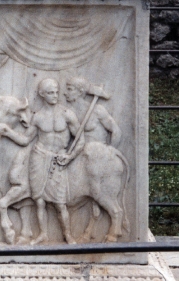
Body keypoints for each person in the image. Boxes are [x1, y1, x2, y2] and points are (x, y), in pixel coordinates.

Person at [28, 78, 80, 245]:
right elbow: (24, 139)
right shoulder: (37, 117)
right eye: (50, 93)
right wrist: (6, 131)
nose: (55, 96)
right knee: (39, 201)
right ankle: (43, 234)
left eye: (56, 92)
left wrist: (70, 156)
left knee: (60, 202)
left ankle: (68, 235)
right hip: (39, 157)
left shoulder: (66, 114)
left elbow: (80, 139)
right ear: (42, 94)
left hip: (58, 159)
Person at [64, 77, 121, 148]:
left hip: (98, 152)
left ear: (80, 92)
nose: (65, 93)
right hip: (79, 154)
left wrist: (111, 150)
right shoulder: (68, 113)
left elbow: (116, 131)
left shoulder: (97, 110)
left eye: (70, 89)